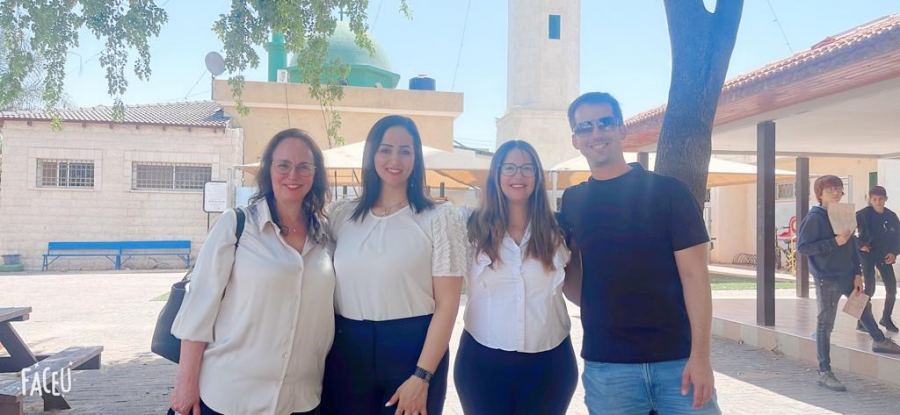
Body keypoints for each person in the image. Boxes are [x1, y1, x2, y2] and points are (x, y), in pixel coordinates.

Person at [558, 92, 719, 414]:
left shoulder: (669, 192)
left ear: (621, 129)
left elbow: (695, 276)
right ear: (575, 140)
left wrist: (701, 357)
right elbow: (572, 275)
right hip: (608, 366)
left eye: (605, 123)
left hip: (677, 361)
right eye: (585, 127)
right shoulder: (573, 201)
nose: (596, 133)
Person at [169, 129, 335, 414]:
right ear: (268, 169)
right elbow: (199, 307)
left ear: (315, 174)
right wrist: (186, 384)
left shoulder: (326, 236)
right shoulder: (236, 226)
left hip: (299, 398)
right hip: (230, 396)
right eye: (283, 165)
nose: (293, 175)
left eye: (303, 166)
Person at [322, 115, 466, 415]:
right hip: (347, 352)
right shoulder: (342, 216)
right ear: (372, 154)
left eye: (405, 151)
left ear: (416, 158)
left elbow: (448, 304)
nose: (395, 160)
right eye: (385, 149)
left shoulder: (439, 218)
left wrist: (422, 375)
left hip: (413, 352)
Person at [454, 140, 578, 414]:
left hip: (550, 364)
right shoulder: (468, 226)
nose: (518, 175)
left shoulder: (560, 229)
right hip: (482, 363)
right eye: (509, 167)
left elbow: (580, 286)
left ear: (537, 175)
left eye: (527, 168)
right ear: (496, 175)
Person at [798, 176, 900, 392]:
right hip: (827, 277)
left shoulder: (843, 213)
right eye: (831, 190)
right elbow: (803, 247)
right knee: (825, 324)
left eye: (839, 189)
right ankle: (824, 371)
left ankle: (879, 340)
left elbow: (852, 245)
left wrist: (857, 273)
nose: (836, 193)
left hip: (847, 275)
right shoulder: (814, 218)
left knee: (863, 307)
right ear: (820, 194)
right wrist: (834, 242)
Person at [856, 185, 900, 332]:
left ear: (885, 199)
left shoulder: (891, 216)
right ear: (870, 199)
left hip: (884, 255)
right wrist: (860, 245)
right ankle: (861, 320)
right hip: (867, 254)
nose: (878, 202)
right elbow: (847, 233)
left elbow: (898, 237)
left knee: (892, 288)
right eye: (874, 199)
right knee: (869, 288)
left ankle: (886, 318)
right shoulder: (861, 214)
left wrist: (894, 253)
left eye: (880, 199)